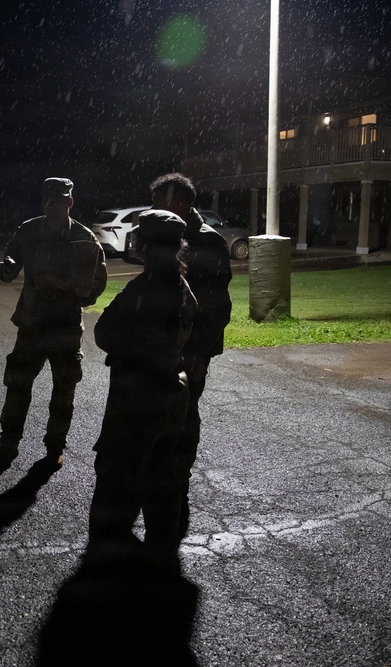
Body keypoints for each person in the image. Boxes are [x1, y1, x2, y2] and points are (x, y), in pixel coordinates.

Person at [87, 209, 197, 571]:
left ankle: (108, 563)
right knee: (162, 474)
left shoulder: (143, 289)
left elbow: (103, 333)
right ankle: (160, 553)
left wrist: (128, 348)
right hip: (172, 392)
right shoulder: (181, 286)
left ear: (144, 245)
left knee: (118, 473)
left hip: (137, 396)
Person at [0, 177, 107, 468]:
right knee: (18, 385)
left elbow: (98, 280)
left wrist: (73, 293)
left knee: (64, 390)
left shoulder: (84, 238)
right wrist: (7, 268)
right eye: (47, 200)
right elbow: (11, 260)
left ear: (70, 202)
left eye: (58, 200)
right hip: (32, 322)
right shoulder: (28, 230)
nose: (51, 205)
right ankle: (9, 442)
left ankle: (55, 445)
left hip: (66, 326)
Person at [149, 173, 232, 539]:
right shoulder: (170, 234)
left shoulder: (206, 242)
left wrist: (198, 350)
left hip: (192, 347)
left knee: (185, 413)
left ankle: (178, 477)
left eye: (159, 203)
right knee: (161, 411)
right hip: (165, 344)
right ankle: (161, 473)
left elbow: (215, 306)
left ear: (179, 203)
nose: (155, 210)